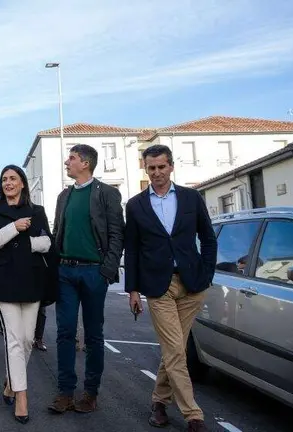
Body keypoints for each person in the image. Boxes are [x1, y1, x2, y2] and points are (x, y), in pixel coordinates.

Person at [124, 144, 217, 432]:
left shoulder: (191, 197)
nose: (156, 173)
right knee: (176, 350)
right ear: (146, 169)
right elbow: (134, 248)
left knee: (172, 349)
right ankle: (193, 415)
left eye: (161, 167)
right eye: (151, 168)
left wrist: (207, 274)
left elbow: (209, 238)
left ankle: (159, 402)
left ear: (171, 166)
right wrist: (133, 290)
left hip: (192, 284)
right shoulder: (136, 204)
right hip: (157, 286)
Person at [48, 144, 124, 415]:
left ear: (86, 163)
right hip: (65, 273)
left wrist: (106, 270)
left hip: (94, 272)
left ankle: (90, 393)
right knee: (65, 332)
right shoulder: (63, 196)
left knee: (93, 335)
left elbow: (117, 234)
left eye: (71, 158)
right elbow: (58, 231)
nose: (66, 162)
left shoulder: (107, 193)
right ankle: (65, 393)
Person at [0, 165, 53, 424]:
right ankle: (22, 396)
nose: (8, 183)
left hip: (32, 281)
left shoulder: (37, 212)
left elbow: (46, 243)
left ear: (22, 183)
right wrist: (14, 229)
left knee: (28, 340)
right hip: (2, 282)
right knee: (14, 339)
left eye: (13, 178)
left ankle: (11, 384)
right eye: (4, 179)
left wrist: (21, 245)